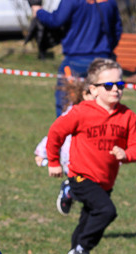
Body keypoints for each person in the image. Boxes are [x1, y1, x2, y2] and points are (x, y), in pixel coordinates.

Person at [46, 58, 136, 254]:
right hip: (81, 176)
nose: (116, 89)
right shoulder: (81, 112)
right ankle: (80, 252)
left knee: (88, 222)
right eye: (109, 85)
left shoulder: (127, 117)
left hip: (105, 181)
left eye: (120, 84)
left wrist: (126, 154)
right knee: (106, 211)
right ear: (93, 90)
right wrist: (52, 161)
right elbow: (56, 132)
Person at [32, 0, 123, 116]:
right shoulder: (109, 2)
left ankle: (65, 132)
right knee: (103, 107)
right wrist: (107, 48)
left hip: (75, 60)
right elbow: (117, 29)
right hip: (103, 62)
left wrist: (38, 11)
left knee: (65, 102)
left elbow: (55, 20)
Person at [34, 78, 92, 216]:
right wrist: (42, 153)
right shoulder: (73, 114)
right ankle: (69, 191)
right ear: (84, 94)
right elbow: (56, 133)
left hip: (92, 162)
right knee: (85, 189)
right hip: (73, 161)